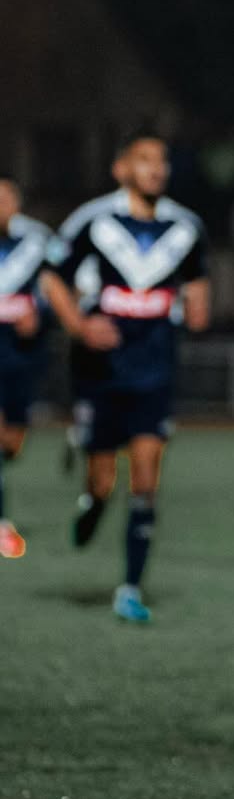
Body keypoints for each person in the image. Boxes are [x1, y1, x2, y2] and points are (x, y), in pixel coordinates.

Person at [41, 134, 211, 621]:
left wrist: (198, 307)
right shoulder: (94, 220)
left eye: (162, 161)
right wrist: (78, 326)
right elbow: (52, 277)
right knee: (102, 481)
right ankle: (92, 503)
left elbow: (197, 282)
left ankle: (131, 589)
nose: (156, 169)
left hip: (154, 370)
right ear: (121, 169)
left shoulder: (185, 226)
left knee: (146, 479)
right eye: (144, 160)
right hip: (101, 371)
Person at [0, 178, 54, 559]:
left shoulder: (38, 241)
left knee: (12, 442)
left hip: (21, 355)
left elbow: (60, 288)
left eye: (6, 199)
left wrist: (40, 313)